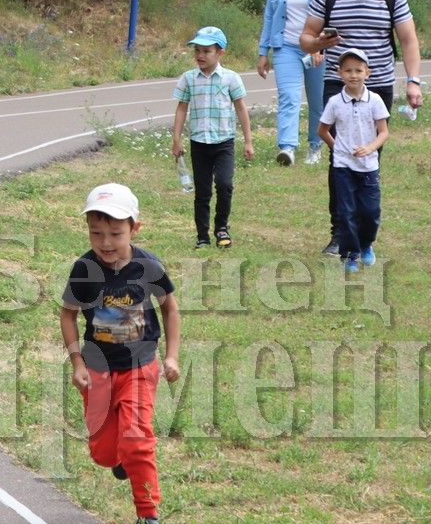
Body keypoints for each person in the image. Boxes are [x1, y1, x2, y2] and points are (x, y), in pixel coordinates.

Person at [60, 183, 179, 524]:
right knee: (104, 451)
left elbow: (170, 309)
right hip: (97, 368)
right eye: (96, 233)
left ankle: (148, 514)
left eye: (115, 233)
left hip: (140, 365)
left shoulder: (148, 266)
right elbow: (68, 314)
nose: (105, 243)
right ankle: (119, 460)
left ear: (134, 228)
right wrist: (77, 362)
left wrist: (171, 356)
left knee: (137, 440)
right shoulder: (85, 270)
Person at [299, 0, 423, 256]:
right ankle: (340, 234)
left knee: (368, 160)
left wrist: (413, 81)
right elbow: (306, 38)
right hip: (336, 86)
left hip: (377, 87)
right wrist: (319, 45)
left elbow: (408, 40)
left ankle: (365, 235)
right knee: (339, 159)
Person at [257, 0, 335, 166]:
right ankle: (287, 148)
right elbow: (270, 15)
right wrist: (263, 51)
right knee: (289, 98)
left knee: (317, 100)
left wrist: (322, 47)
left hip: (316, 46)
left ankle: (315, 146)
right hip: (286, 46)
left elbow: (333, 15)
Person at [170, 26, 254, 249]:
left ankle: (222, 228)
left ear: (220, 53)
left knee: (225, 185)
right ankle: (202, 235)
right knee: (203, 191)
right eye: (197, 50)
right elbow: (181, 109)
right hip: (199, 143)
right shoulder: (188, 79)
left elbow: (241, 109)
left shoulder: (231, 79)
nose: (200, 55)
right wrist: (176, 139)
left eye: (206, 51)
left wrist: (248, 141)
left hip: (224, 142)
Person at [317, 49, 390, 272]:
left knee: (370, 211)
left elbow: (383, 132)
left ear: (367, 73)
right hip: (343, 167)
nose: (353, 75)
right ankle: (349, 255)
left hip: (368, 167)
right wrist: (337, 147)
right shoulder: (335, 102)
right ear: (340, 73)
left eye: (358, 70)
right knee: (346, 212)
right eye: (348, 70)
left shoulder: (375, 100)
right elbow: (323, 130)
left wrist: (369, 149)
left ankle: (366, 244)